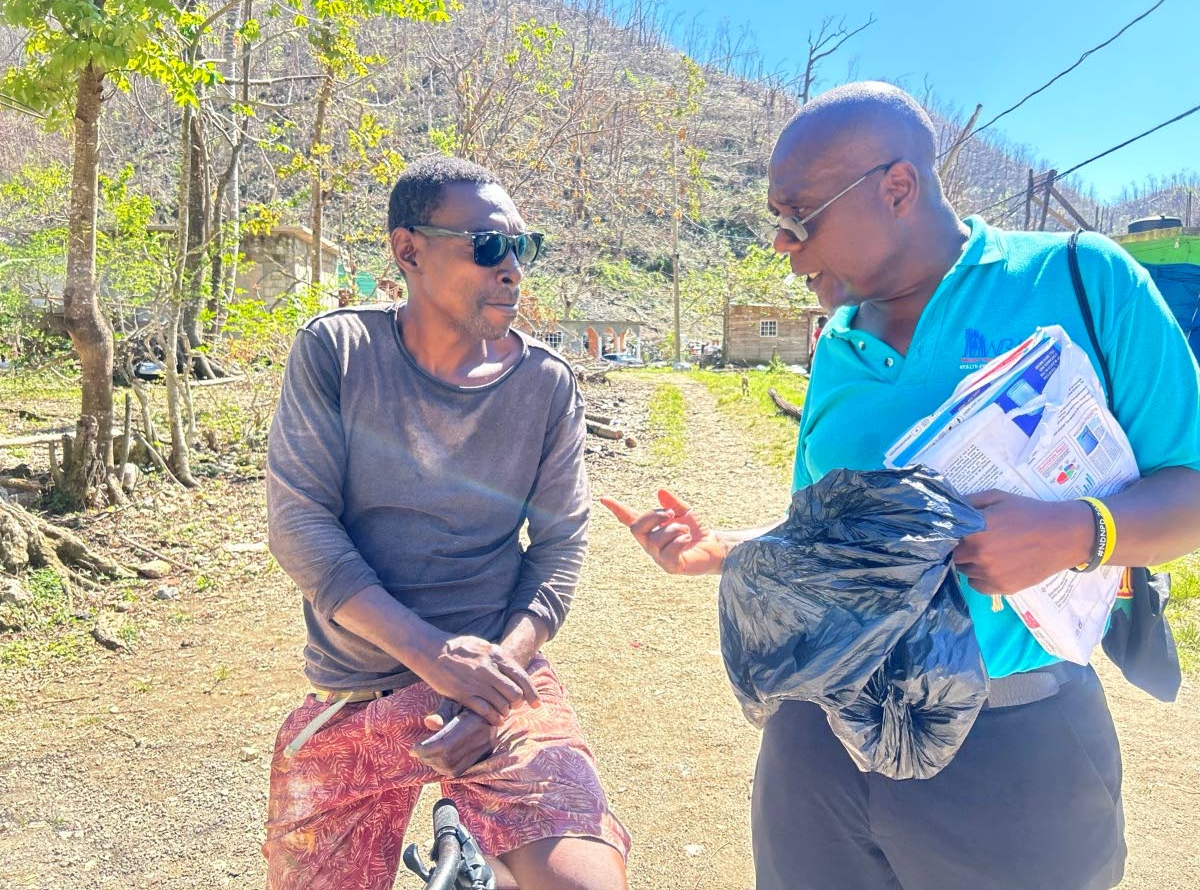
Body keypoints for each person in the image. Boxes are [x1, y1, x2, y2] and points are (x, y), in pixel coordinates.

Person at [603, 82, 1200, 890]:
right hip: (816, 744)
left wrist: (1074, 533)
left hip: (1012, 750)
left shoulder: (1082, 280)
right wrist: (724, 551)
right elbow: (837, 543)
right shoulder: (839, 348)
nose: (783, 242)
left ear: (897, 188)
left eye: (799, 214)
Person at [264, 155, 630, 890]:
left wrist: (490, 680)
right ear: (408, 251)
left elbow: (559, 546)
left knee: (585, 883)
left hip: (501, 682)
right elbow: (301, 525)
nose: (513, 269)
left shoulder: (547, 386)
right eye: (490, 245)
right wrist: (432, 656)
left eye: (523, 248)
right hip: (358, 687)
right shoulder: (338, 352)